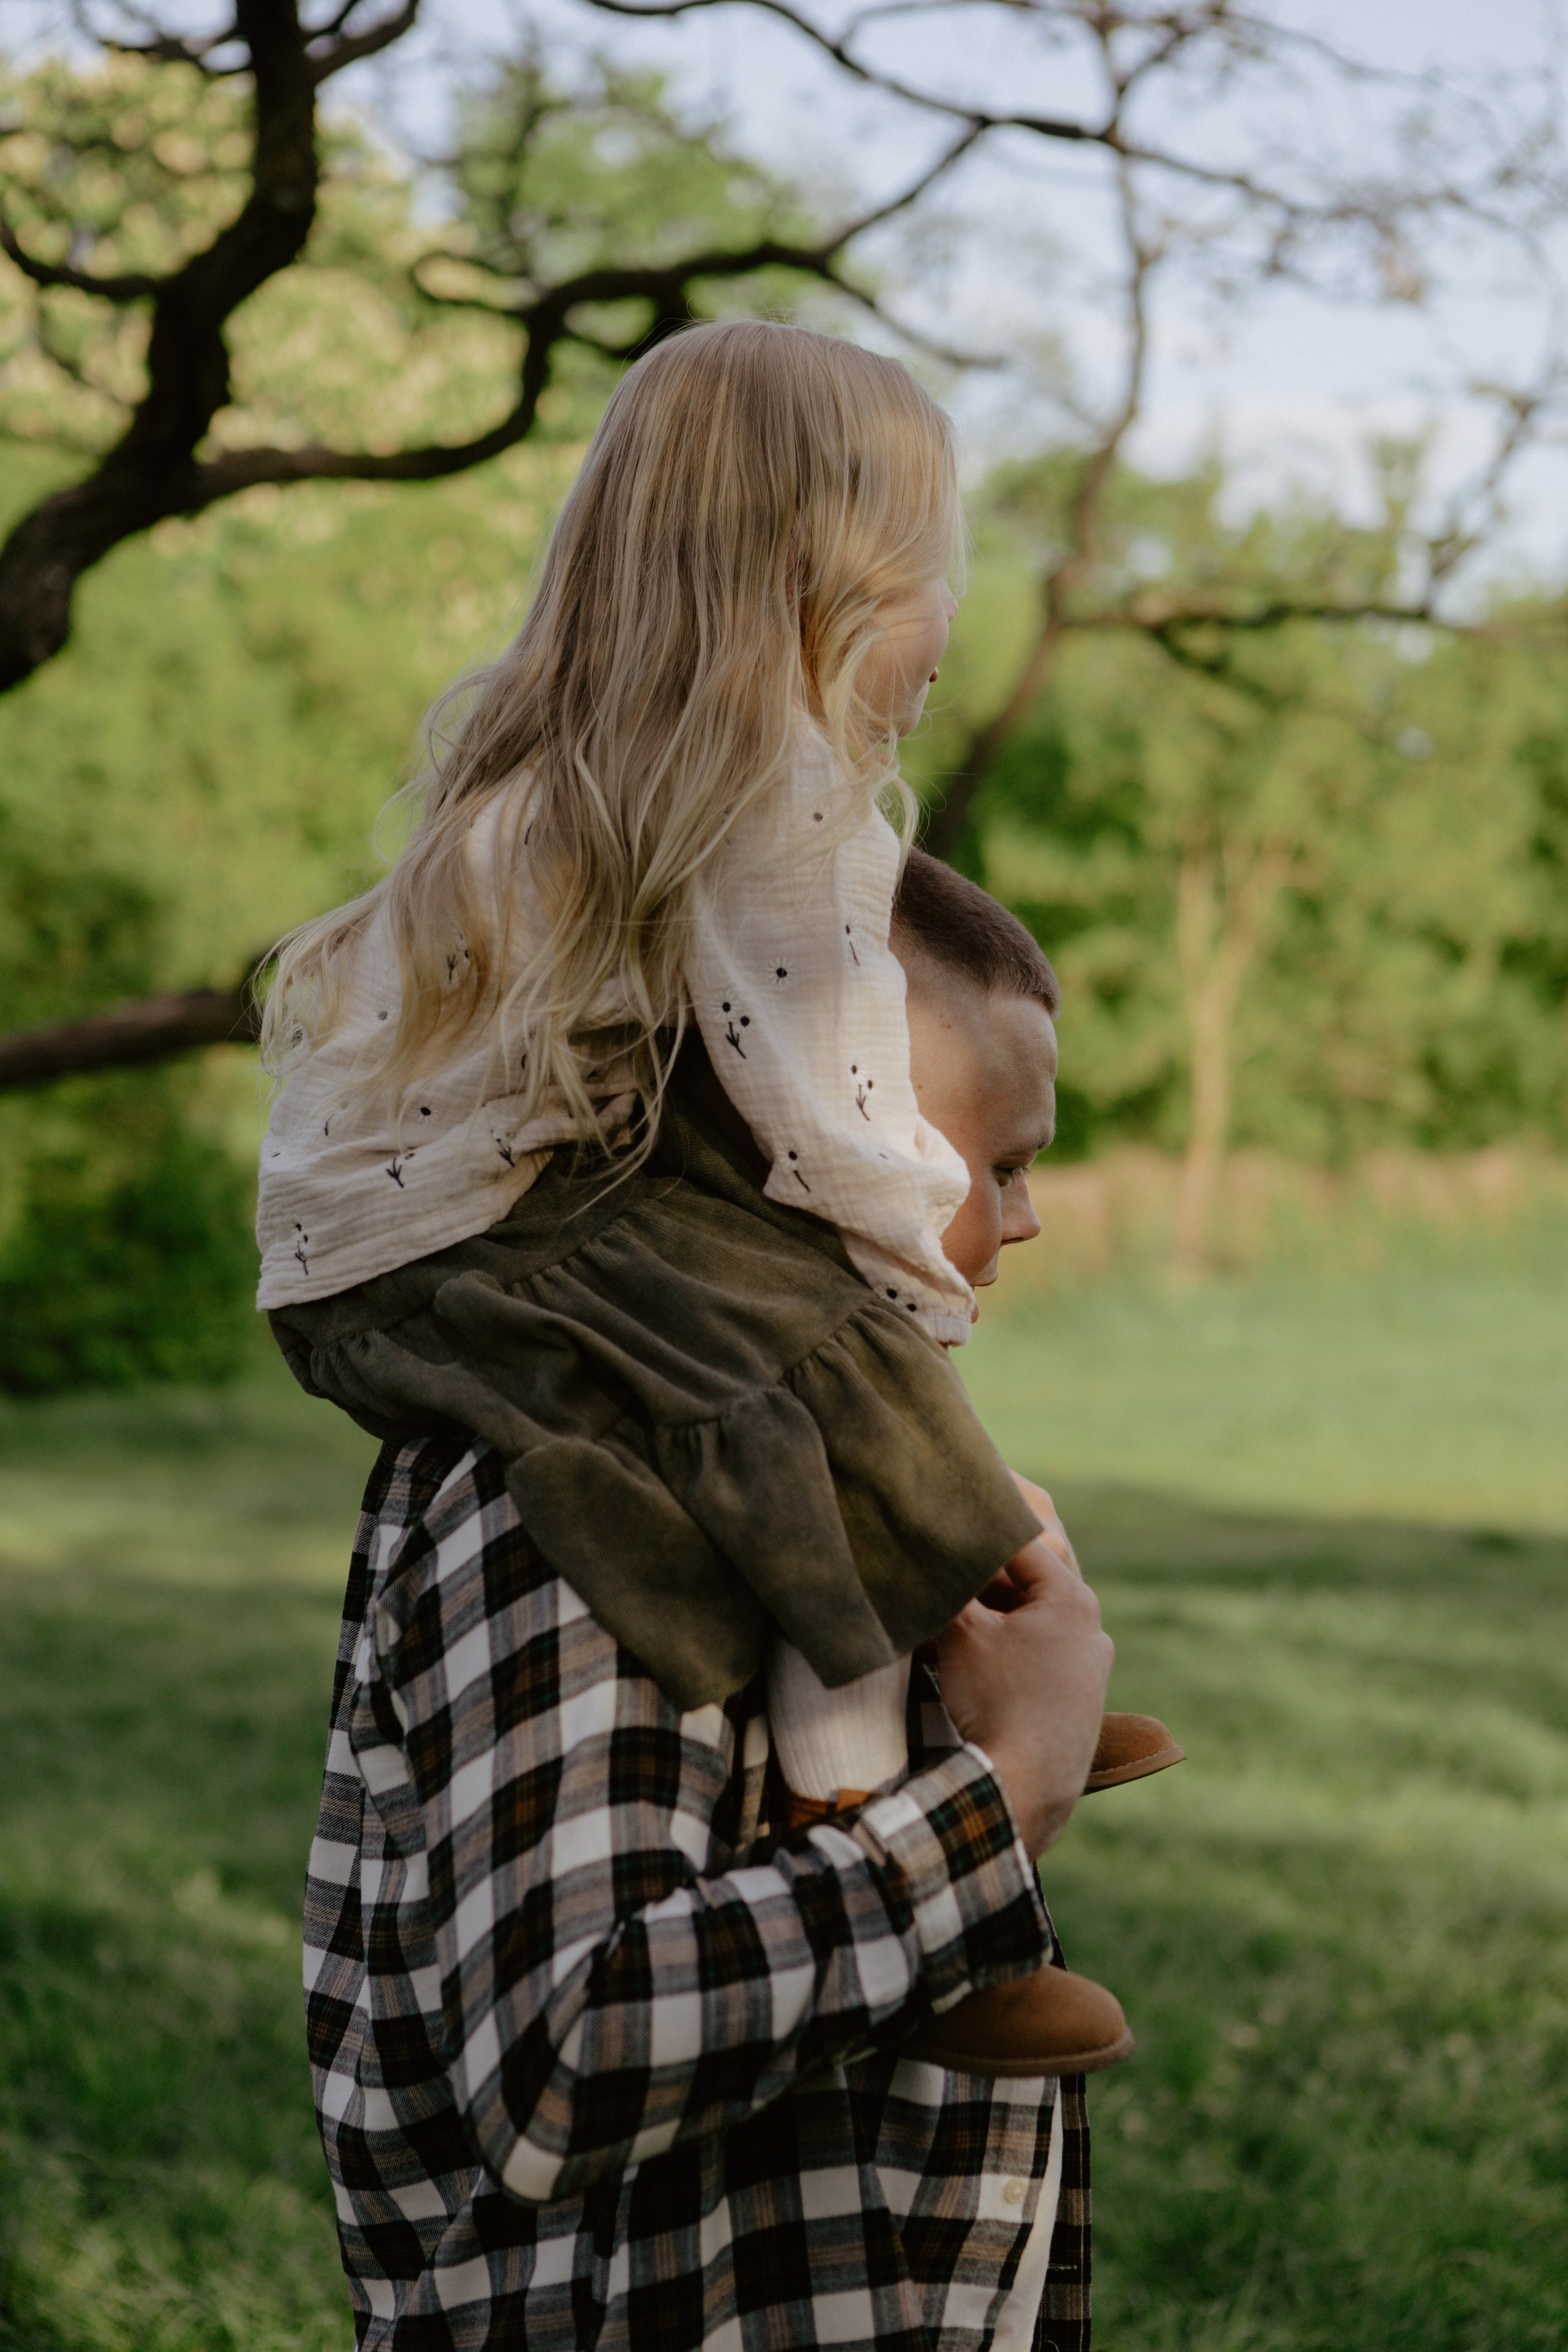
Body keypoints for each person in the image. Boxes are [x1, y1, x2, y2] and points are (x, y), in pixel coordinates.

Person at [262, 320, 1160, 2080]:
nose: (939, 647)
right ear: (832, 589)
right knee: (826, 1377)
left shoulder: (519, 795)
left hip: (394, 1271)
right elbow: (815, 1091)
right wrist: (905, 1246)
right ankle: (894, 1805)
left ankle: (956, 1714)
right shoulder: (765, 806)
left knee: (810, 1396)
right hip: (531, 1248)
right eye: (928, 592)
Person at [299, 864, 1118, 2348]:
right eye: (994, 1163)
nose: (1028, 1217)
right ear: (813, 1131)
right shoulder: (578, 1476)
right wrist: (1002, 1795)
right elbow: (566, 2055)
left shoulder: (788, 1444)